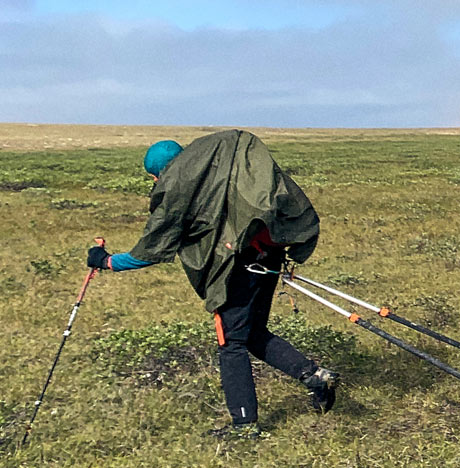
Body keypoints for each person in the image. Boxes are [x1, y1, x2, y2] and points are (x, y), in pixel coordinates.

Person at [85, 130, 337, 440]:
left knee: (231, 342)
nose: (156, 184)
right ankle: (316, 377)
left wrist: (107, 261)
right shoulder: (221, 171)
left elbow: (150, 251)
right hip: (267, 256)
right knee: (253, 333)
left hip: (239, 269)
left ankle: (245, 427)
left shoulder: (182, 188)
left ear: (161, 173)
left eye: (154, 178)